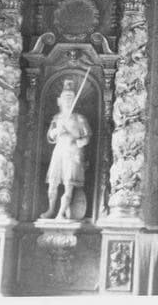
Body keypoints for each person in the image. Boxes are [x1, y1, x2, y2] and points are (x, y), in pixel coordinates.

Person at [40, 79, 92, 220]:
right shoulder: (57, 118)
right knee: (53, 182)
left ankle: (61, 213)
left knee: (69, 183)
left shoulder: (79, 118)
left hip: (72, 152)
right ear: (59, 101)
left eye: (71, 98)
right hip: (59, 151)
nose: (68, 101)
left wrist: (73, 133)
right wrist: (58, 130)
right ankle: (51, 209)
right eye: (65, 98)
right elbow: (50, 136)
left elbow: (86, 138)